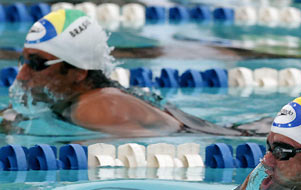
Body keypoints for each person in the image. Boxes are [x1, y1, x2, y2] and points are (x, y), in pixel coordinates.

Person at [11, 9, 243, 137]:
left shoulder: (94, 107)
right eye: (24, 60)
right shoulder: (86, 97)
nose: (22, 74)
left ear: (79, 72)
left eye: (37, 63)